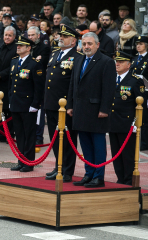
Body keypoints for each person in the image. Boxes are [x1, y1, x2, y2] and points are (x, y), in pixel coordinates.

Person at [67, 32, 116, 188]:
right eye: (84, 44)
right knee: (86, 145)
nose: (86, 47)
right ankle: (88, 174)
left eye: (89, 44)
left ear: (97, 45)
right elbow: (72, 85)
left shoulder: (106, 62)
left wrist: (105, 109)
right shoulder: (79, 59)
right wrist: (70, 105)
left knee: (98, 146)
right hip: (80, 110)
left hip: (96, 111)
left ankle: (98, 176)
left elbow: (109, 88)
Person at [44, 25, 83, 182]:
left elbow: (74, 84)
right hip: (51, 103)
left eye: (65, 36)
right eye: (60, 36)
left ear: (73, 41)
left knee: (68, 139)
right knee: (55, 138)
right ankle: (58, 166)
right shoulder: (55, 54)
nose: (61, 38)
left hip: (65, 106)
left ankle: (67, 171)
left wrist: (70, 105)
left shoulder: (77, 57)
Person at [9, 36, 43, 172]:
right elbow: (11, 85)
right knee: (20, 135)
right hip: (16, 103)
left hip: (28, 105)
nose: (18, 47)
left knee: (29, 135)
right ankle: (21, 161)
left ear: (29, 48)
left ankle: (28, 163)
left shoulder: (34, 64)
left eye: (21, 45)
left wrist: (35, 105)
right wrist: (10, 100)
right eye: (18, 45)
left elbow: (38, 87)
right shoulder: (14, 62)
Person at [110, 51, 144, 185]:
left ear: (128, 65)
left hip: (128, 124)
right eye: (116, 61)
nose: (117, 64)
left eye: (121, 62)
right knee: (116, 154)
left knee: (127, 155)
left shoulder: (135, 80)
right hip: (112, 122)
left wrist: (137, 123)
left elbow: (140, 104)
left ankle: (128, 180)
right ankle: (120, 178)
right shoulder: (111, 78)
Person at [0, 26, 17, 143]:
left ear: (14, 37)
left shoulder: (16, 49)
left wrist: (1, 74)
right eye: (5, 35)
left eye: (9, 35)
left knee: (8, 111)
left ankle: (10, 135)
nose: (7, 37)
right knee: (0, 110)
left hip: (8, 82)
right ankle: (1, 134)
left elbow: (13, 66)